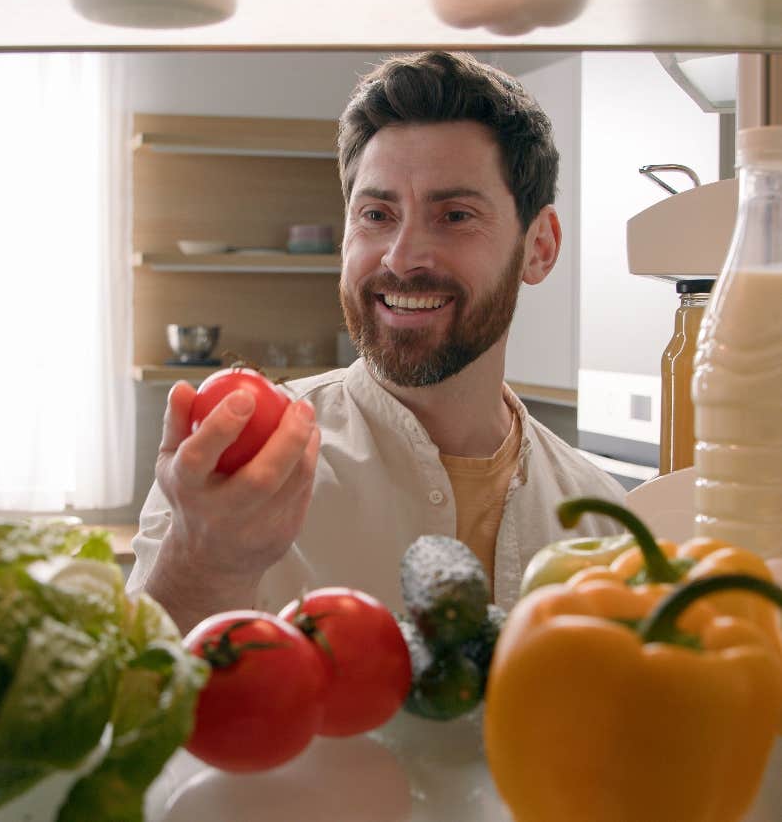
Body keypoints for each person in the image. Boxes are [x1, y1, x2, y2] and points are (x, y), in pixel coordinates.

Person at [127, 51, 626, 635]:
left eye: (455, 215)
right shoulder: (236, 479)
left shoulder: (601, 520)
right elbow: (138, 711)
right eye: (377, 214)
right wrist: (199, 562)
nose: (402, 256)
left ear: (539, 246)